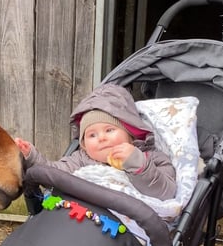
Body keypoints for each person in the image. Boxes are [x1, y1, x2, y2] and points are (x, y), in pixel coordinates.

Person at [15, 84, 176, 201]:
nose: (101, 138)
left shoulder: (152, 158)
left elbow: (166, 193)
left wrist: (138, 164)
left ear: (130, 134)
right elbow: (54, 174)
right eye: (92, 135)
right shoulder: (80, 160)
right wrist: (31, 157)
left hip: (125, 232)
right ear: (84, 144)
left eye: (109, 130)